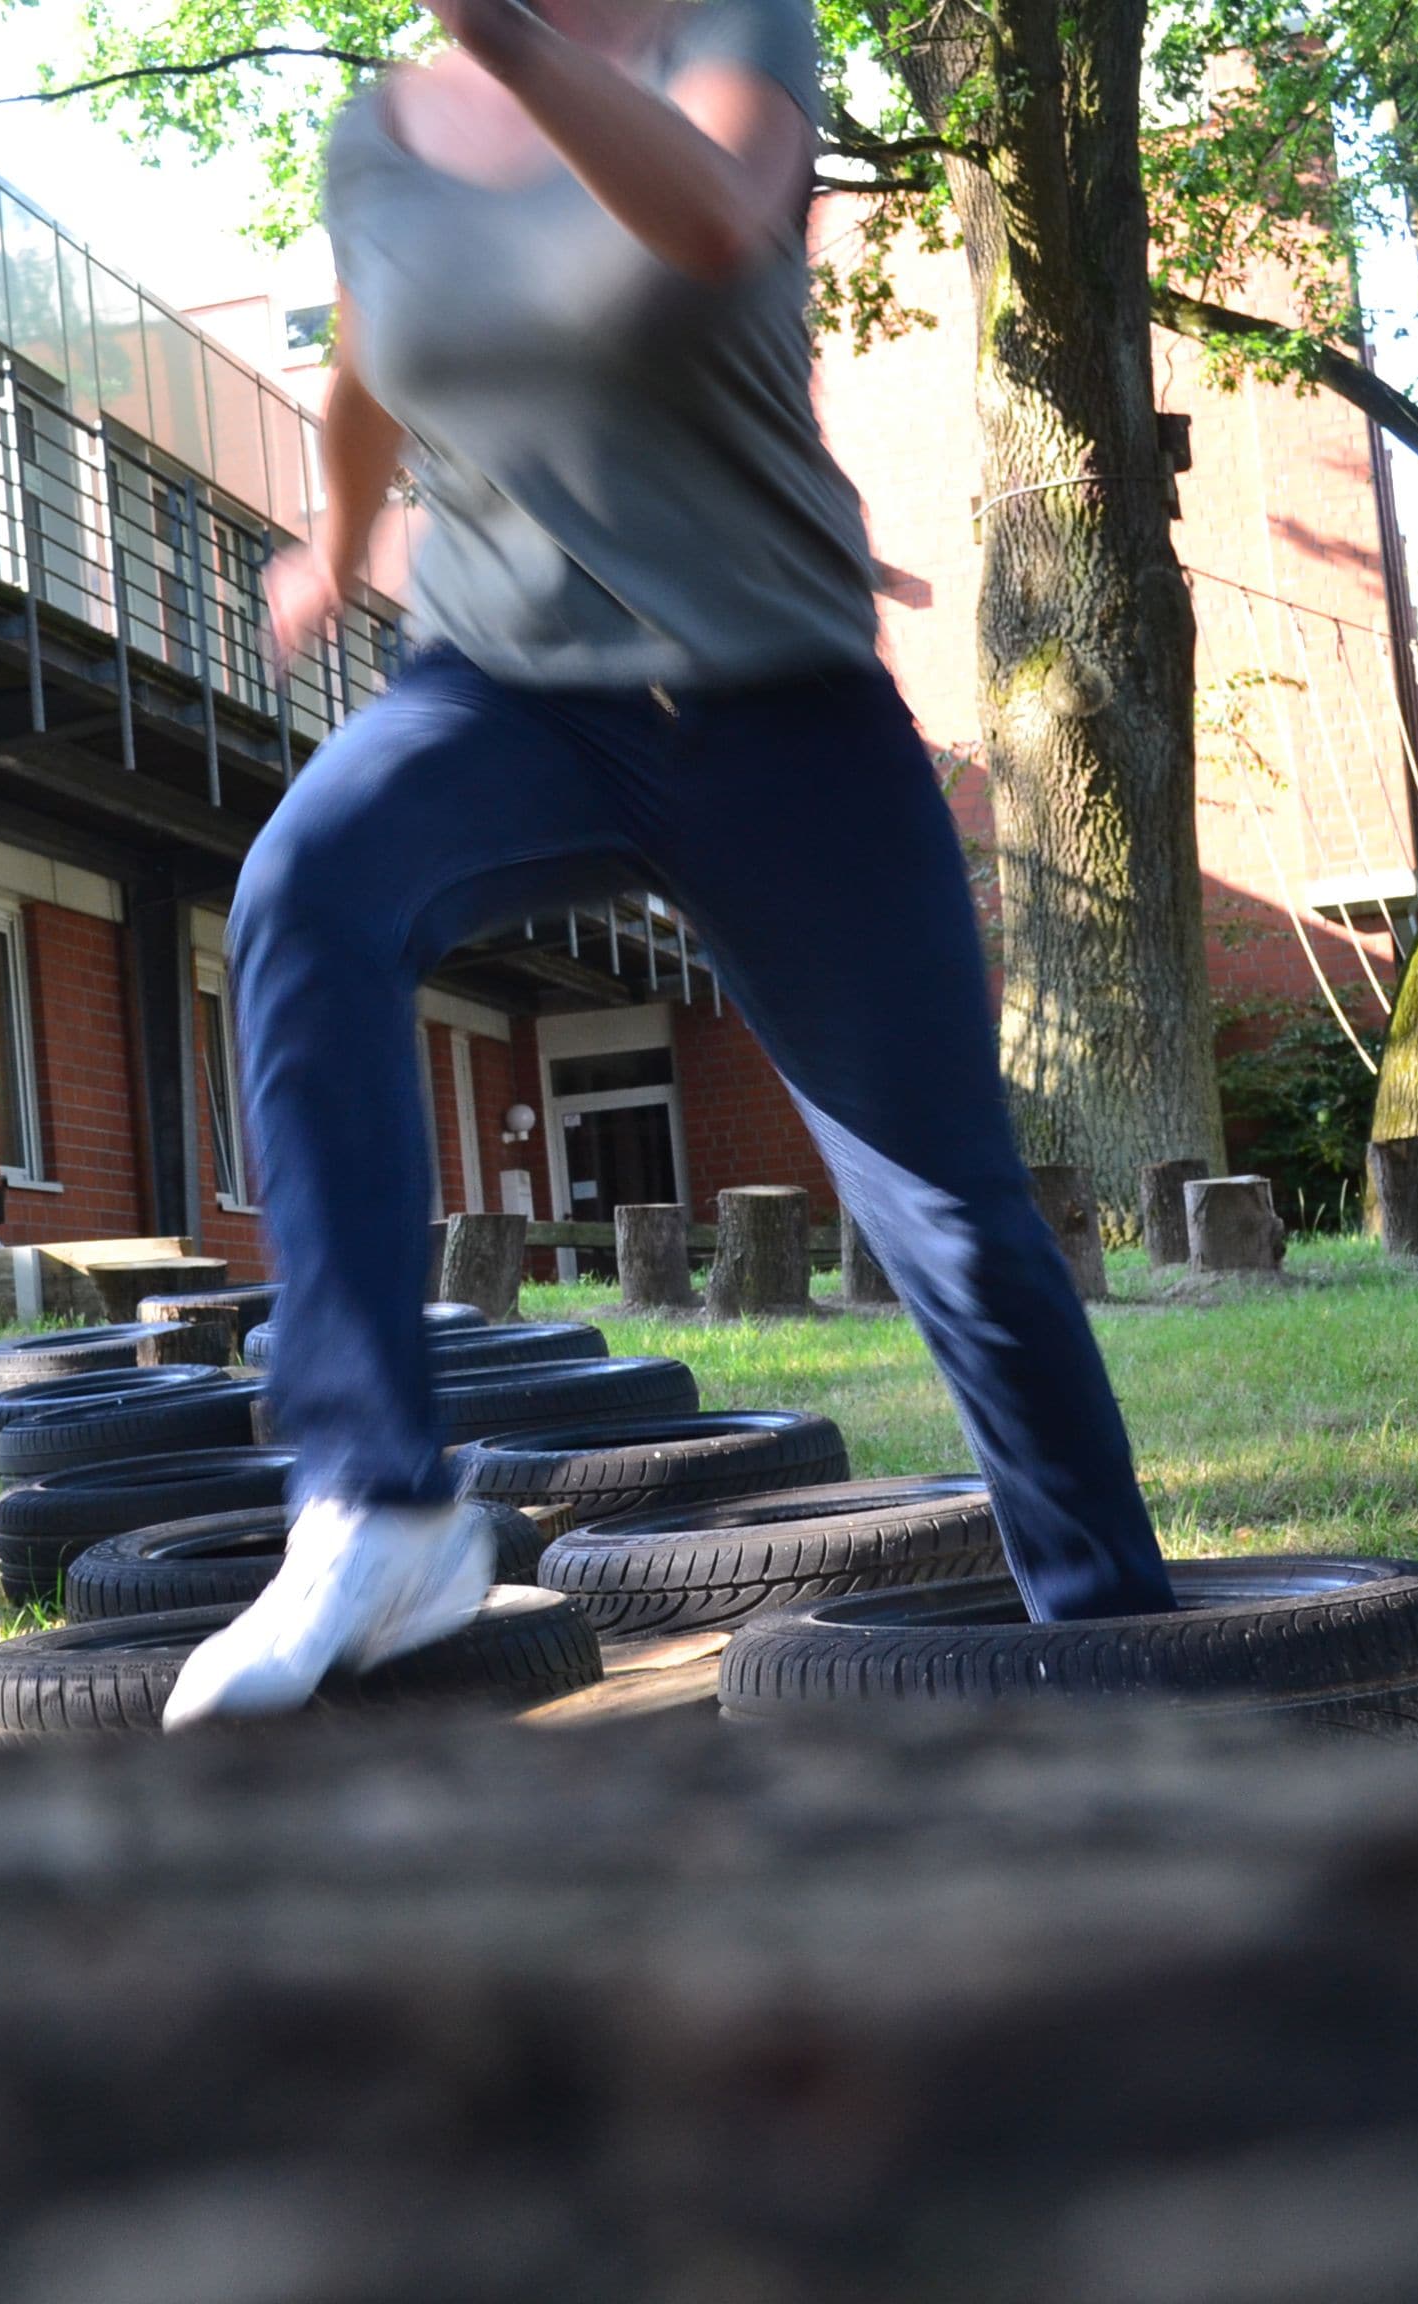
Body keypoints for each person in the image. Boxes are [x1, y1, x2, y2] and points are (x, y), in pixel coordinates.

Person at [164, 0, 1177, 1725]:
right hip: (500, 691)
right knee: (305, 890)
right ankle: (371, 1503)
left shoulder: (731, 33)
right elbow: (364, 369)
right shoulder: (376, 133)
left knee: (946, 1211)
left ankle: (1121, 1643)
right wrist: (329, 553)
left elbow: (711, 221)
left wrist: (508, 46)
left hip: (773, 704)